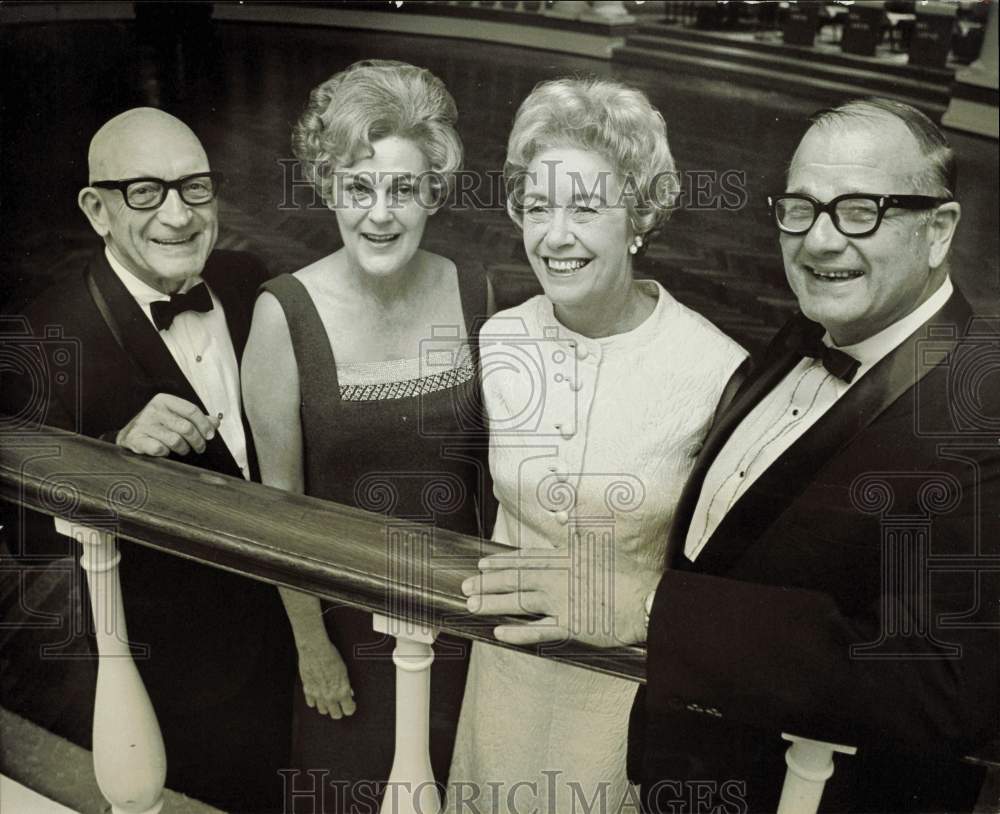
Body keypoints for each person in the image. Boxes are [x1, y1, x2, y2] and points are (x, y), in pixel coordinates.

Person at [463, 98, 1000, 813]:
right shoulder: (802, 337)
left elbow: (945, 684)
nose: (820, 241)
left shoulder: (980, 403)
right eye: (801, 209)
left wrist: (655, 607)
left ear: (939, 231)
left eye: (860, 210)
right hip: (674, 754)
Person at [447, 78, 747, 813]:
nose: (555, 235)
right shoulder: (500, 339)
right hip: (505, 678)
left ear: (639, 217)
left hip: (621, 692)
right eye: (538, 205)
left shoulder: (713, 372)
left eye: (585, 208)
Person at [0, 108, 295, 811]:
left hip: (289, 628)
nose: (178, 214)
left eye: (195, 188)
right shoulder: (42, 336)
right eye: (145, 192)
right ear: (97, 209)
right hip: (176, 663)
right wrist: (112, 456)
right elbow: (26, 534)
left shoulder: (247, 278)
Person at [241, 60, 492, 812]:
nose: (380, 215)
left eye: (404, 188)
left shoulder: (478, 292)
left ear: (434, 193)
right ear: (328, 188)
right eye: (359, 187)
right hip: (345, 638)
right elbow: (276, 508)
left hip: (461, 627)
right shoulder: (282, 316)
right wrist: (311, 647)